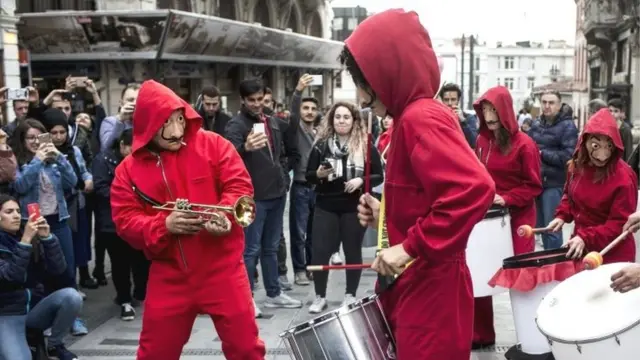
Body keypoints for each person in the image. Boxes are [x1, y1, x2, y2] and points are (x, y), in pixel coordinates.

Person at [347, 9, 495, 359]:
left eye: (363, 82)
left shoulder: (420, 117)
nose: (363, 99)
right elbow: (428, 200)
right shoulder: (407, 119)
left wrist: (410, 246)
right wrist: (387, 215)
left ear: (387, 73)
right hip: (416, 281)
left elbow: (474, 190)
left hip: (432, 286)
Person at [110, 80, 265, 359]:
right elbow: (125, 220)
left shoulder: (214, 144)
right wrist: (163, 225)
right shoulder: (127, 171)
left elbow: (239, 186)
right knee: (155, 353)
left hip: (223, 267)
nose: (177, 130)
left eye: (179, 119)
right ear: (147, 126)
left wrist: (223, 213)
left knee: (246, 349)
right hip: (168, 273)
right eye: (166, 123)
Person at [471, 86, 543, 349]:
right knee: (480, 273)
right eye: (485, 109)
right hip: (487, 219)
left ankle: (531, 338)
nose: (489, 115)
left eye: (493, 109)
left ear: (505, 111)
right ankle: (481, 335)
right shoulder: (480, 141)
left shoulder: (526, 145)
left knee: (521, 276)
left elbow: (534, 186)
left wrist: (507, 197)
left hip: (519, 217)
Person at [305, 101, 383, 313]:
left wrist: (361, 180)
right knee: (320, 252)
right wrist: (319, 175)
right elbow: (308, 175)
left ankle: (350, 294)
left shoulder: (365, 144)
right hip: (325, 205)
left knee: (352, 250)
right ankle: (320, 296)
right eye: (337, 117)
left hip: (353, 206)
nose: (341, 120)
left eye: (346, 117)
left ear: (353, 120)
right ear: (332, 119)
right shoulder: (321, 145)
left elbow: (379, 175)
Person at [549, 109, 637, 265]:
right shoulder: (577, 166)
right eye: (596, 145)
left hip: (612, 253)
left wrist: (585, 237)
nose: (602, 156)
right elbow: (569, 196)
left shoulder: (624, 177)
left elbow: (619, 224)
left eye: (609, 146)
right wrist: (561, 215)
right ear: (585, 141)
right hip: (579, 247)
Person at [0, 194, 82, 360]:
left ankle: (54, 344)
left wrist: (47, 238)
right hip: (7, 313)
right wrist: (25, 241)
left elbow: (59, 270)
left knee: (72, 296)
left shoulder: (26, 233)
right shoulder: (25, 237)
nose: (16, 215)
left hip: (33, 308)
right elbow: (10, 276)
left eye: (17, 210)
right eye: (9, 211)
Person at [93, 129, 150, 321]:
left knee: (141, 261)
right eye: (133, 149)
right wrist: (128, 194)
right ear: (122, 146)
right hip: (112, 221)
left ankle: (139, 294)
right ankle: (124, 299)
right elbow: (101, 189)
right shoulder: (103, 160)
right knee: (119, 264)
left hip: (138, 219)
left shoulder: (143, 159)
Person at [527, 90, 578, 250]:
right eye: (544, 102)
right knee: (541, 227)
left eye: (551, 103)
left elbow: (569, 156)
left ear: (559, 104)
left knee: (553, 228)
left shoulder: (568, 126)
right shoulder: (536, 123)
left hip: (555, 183)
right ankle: (546, 264)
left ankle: (555, 265)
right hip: (537, 182)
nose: (547, 106)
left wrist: (541, 153)